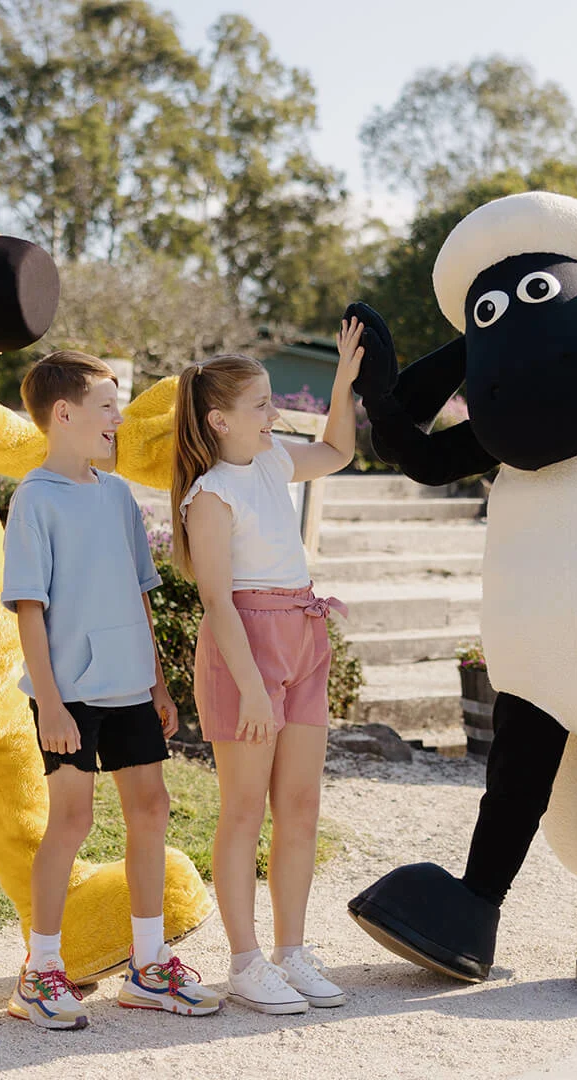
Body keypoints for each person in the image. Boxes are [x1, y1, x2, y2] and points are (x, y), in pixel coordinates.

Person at [2, 351, 222, 1031]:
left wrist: (157, 680)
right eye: (106, 404)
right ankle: (39, 973)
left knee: (151, 809)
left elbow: (139, 594)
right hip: (67, 695)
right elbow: (28, 608)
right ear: (62, 414)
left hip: (129, 688)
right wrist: (52, 702)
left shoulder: (119, 495)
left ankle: (149, 967)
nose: (117, 417)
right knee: (71, 822)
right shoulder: (35, 499)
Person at [171, 320, 365, 1014]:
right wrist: (252, 689)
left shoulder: (277, 461)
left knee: (302, 807)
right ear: (220, 419)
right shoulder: (211, 495)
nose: (273, 412)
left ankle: (291, 950)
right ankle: (247, 961)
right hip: (244, 651)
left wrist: (343, 375)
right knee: (244, 811)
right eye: (260, 405)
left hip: (304, 635)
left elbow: (339, 448)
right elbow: (217, 601)